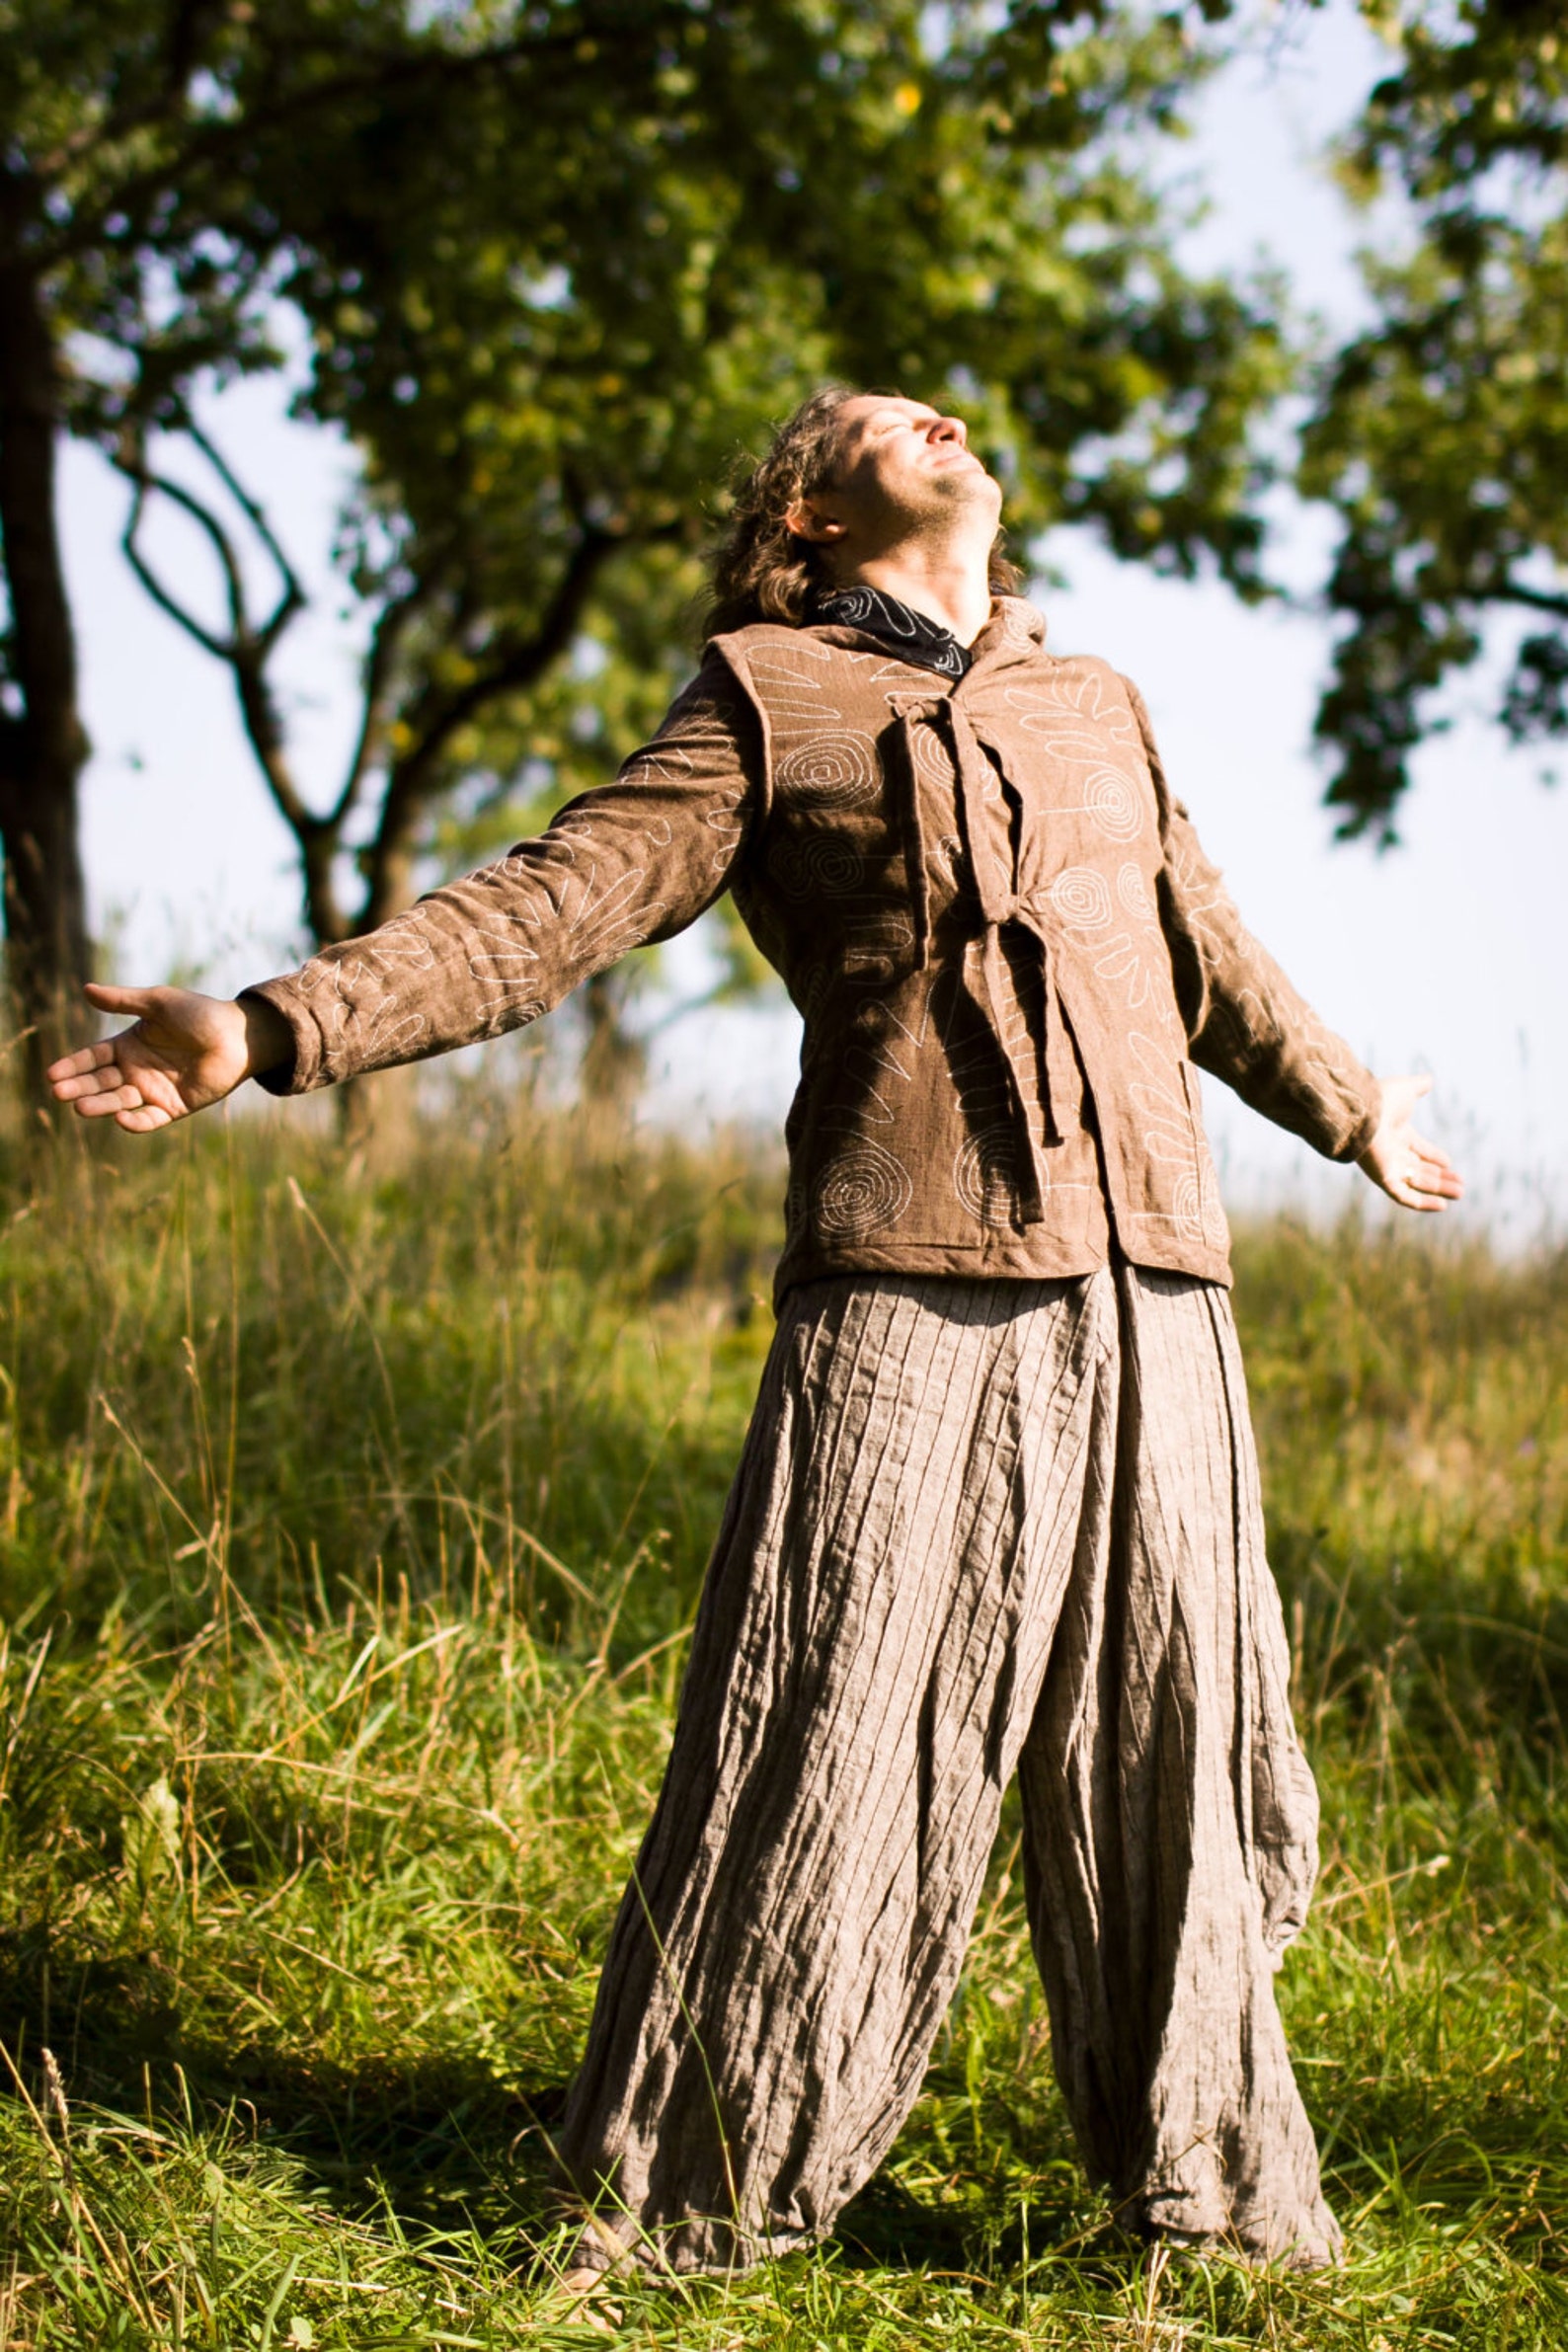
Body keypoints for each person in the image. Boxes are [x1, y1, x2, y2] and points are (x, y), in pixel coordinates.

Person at [48, 388, 1461, 2286]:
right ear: (809, 510)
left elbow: (1207, 952)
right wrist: (273, 1026)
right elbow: (549, 909)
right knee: (824, 1733)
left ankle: (1207, 2211)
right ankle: (679, 2194)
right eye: (888, 417)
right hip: (906, 1282)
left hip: (1160, 1294)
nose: (940, 414)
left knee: (1172, 1756)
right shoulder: (766, 694)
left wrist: (1359, 1108)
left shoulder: (1095, 702)